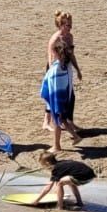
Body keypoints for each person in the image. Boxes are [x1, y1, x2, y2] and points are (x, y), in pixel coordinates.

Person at [41, 11, 82, 152]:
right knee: (56, 108)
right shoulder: (55, 39)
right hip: (56, 71)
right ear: (60, 25)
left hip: (63, 72)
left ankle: (60, 141)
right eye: (67, 25)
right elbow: (50, 60)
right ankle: (48, 123)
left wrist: (77, 69)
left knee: (60, 109)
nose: (69, 27)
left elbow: (71, 55)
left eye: (71, 25)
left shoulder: (69, 37)